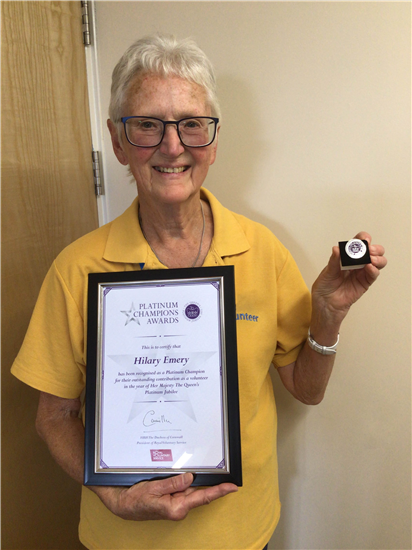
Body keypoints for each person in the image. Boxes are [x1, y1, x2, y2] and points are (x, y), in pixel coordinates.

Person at [11, 34, 387, 550]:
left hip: (243, 534)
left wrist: (328, 315)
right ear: (117, 141)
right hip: (119, 539)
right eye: (146, 124)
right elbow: (53, 417)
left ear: (212, 140)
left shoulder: (262, 249)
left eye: (191, 124)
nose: (172, 145)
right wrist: (110, 492)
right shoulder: (76, 269)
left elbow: (307, 389)